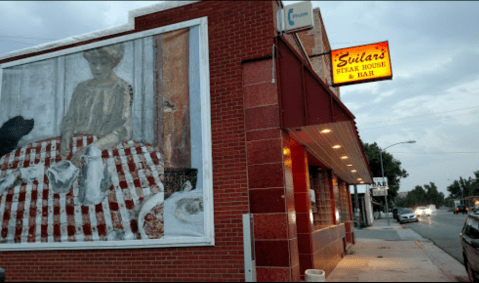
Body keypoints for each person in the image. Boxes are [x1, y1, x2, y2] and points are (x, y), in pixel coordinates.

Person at [60, 43, 133, 166]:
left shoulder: (121, 89)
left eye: (103, 63)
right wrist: (66, 136)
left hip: (105, 147)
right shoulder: (81, 88)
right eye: (93, 63)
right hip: (77, 145)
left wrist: (90, 149)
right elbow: (70, 119)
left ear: (113, 63)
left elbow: (122, 131)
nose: (97, 68)